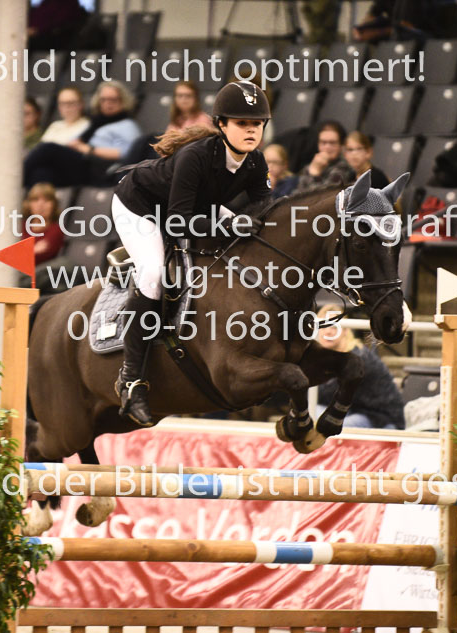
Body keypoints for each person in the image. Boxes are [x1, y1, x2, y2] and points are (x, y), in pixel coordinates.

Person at [111, 80, 272, 426]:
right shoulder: (195, 156)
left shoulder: (256, 163)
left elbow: (266, 214)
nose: (250, 130)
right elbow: (177, 223)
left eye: (257, 124)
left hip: (195, 206)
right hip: (140, 206)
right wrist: (230, 225)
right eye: (242, 123)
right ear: (222, 125)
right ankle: (131, 379)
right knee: (153, 274)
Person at [23, 81, 143, 188]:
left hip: (96, 166)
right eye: (103, 100)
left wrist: (90, 149)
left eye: (113, 100)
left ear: (123, 101)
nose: (108, 103)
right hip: (81, 164)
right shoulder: (97, 121)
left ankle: (17, 177)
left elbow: (128, 153)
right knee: (41, 174)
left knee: (48, 148)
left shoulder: (127, 125)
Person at [314, 305, 405, 430]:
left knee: (320, 421)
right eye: (323, 326)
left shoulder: (357, 356)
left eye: (334, 327)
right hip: (353, 411)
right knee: (309, 412)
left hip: (379, 419)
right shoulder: (327, 355)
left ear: (345, 331)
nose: (328, 332)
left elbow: (328, 394)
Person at [296, 121, 357, 192]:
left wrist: (315, 174)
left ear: (341, 146)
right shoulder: (311, 166)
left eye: (332, 143)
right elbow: (298, 193)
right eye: (323, 142)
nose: (327, 147)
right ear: (318, 144)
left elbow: (323, 196)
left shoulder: (345, 168)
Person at [22, 182, 65, 265]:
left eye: (47, 200)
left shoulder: (56, 230)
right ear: (29, 204)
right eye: (35, 200)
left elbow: (40, 256)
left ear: (54, 205)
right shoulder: (20, 226)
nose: (41, 205)